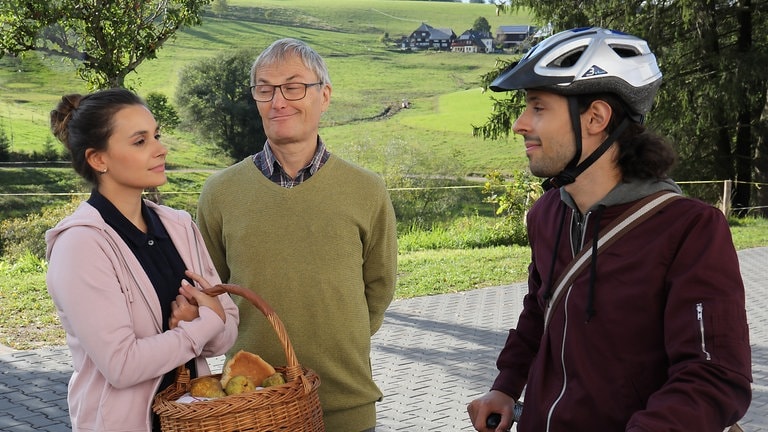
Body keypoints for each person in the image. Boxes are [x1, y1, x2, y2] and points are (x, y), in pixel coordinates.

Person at [466, 27, 752, 431]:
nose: (520, 123)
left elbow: (714, 376)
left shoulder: (689, 230)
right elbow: (539, 310)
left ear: (596, 118)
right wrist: (508, 385)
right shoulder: (548, 212)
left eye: (538, 107)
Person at [196, 37, 398, 432]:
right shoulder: (219, 192)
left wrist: (339, 333)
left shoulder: (367, 189)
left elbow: (379, 289)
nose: (278, 101)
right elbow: (212, 293)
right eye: (264, 89)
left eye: (293, 86)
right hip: (251, 404)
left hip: (346, 403)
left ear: (324, 95)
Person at [46, 88, 240, 432]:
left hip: (193, 420)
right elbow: (122, 366)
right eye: (140, 141)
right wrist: (204, 322)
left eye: (157, 135)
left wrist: (206, 322)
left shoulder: (179, 226)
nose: (160, 149)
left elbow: (227, 333)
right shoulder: (80, 245)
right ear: (98, 159)